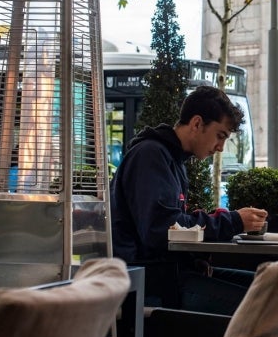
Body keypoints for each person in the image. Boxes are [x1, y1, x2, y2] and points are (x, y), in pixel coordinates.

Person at [110, 85, 268, 315]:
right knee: (267, 304)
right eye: (220, 135)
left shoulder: (173, 160)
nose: (221, 147)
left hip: (171, 272)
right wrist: (233, 221)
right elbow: (162, 228)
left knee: (271, 286)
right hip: (150, 281)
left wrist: (192, 259)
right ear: (196, 123)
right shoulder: (150, 156)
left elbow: (169, 226)